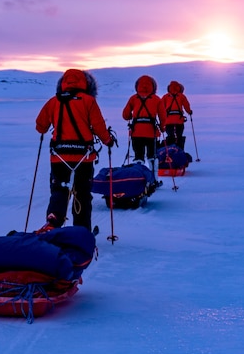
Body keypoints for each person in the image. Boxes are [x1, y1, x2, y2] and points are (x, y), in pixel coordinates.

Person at [35, 69, 115, 233]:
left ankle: (53, 219)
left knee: (60, 189)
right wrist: (108, 141)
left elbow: (40, 127)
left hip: (59, 156)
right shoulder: (88, 101)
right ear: (86, 84)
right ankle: (81, 231)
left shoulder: (53, 101)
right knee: (82, 194)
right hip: (83, 157)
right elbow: (99, 126)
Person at [121, 75, 165, 171]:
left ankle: (139, 178)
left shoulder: (133, 98)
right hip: (151, 133)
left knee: (138, 156)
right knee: (152, 156)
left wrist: (130, 116)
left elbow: (125, 115)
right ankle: (154, 179)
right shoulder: (157, 99)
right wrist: (162, 128)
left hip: (136, 132)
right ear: (153, 86)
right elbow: (163, 116)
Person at [160, 80, 192, 149]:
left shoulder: (166, 96)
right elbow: (186, 105)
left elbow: (161, 107)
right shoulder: (181, 96)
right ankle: (179, 150)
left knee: (170, 135)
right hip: (179, 119)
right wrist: (189, 112)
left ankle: (169, 151)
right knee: (179, 136)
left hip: (168, 120)